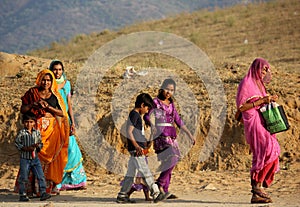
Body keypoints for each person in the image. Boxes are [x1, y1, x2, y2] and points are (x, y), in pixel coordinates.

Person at [16, 69, 69, 195]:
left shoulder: (55, 95)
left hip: (51, 131)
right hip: (34, 129)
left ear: (52, 82)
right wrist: (33, 105)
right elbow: (23, 109)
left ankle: (43, 190)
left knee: (48, 159)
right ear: (39, 80)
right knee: (32, 156)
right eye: (43, 80)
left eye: (48, 80)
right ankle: (29, 189)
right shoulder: (32, 92)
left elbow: (62, 113)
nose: (46, 82)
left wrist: (48, 107)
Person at [236, 58, 280, 203]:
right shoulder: (246, 83)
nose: (264, 72)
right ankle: (256, 190)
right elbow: (241, 107)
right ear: (256, 68)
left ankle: (259, 186)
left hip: (263, 121)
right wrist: (261, 101)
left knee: (273, 150)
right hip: (253, 123)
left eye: (266, 70)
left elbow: (262, 101)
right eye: (263, 69)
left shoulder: (259, 85)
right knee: (264, 151)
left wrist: (269, 99)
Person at [144, 78, 196, 199]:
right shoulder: (155, 102)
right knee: (173, 158)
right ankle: (159, 184)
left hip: (172, 135)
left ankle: (164, 190)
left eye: (172, 90)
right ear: (161, 88)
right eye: (167, 89)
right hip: (161, 135)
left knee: (168, 163)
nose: (169, 92)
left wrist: (189, 134)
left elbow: (178, 120)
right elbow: (147, 115)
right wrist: (152, 125)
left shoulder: (171, 104)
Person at [116, 93, 167, 203]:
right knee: (145, 171)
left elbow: (136, 133)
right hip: (136, 150)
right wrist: (137, 146)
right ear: (142, 105)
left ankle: (122, 195)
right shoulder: (134, 115)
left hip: (136, 149)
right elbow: (129, 132)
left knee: (130, 174)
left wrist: (145, 142)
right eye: (147, 108)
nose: (147, 110)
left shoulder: (137, 116)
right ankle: (156, 193)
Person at [49, 60, 87, 190]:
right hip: (54, 121)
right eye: (55, 69)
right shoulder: (48, 84)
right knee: (58, 151)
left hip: (66, 120)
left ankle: (78, 180)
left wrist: (73, 122)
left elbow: (69, 104)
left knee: (72, 149)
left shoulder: (67, 84)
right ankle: (57, 180)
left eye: (60, 69)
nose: (57, 72)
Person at [15, 112, 52, 202]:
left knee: (40, 176)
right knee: (23, 177)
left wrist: (37, 146)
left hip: (35, 158)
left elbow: (40, 143)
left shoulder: (37, 133)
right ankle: (22, 194)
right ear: (23, 122)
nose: (29, 124)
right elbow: (17, 143)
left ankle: (43, 192)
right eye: (27, 122)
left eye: (31, 122)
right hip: (25, 159)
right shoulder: (21, 133)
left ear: (34, 123)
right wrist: (25, 148)